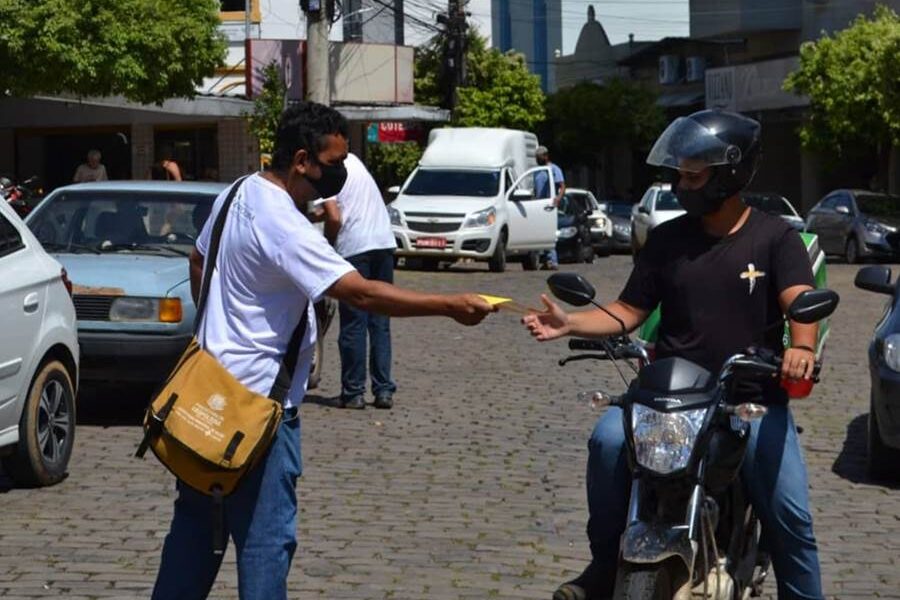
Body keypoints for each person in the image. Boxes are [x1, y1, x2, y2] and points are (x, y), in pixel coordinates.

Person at [151, 101, 494, 600]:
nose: (340, 173)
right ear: (301, 160)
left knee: (193, 536)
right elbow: (360, 293)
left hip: (206, 394)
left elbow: (198, 258)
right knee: (265, 546)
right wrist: (449, 305)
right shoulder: (283, 223)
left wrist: (216, 329)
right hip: (260, 414)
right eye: (333, 163)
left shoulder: (238, 192)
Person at [523, 110, 824, 600]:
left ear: (729, 174)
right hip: (668, 399)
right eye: (679, 175)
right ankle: (604, 565)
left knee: (790, 513)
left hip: (749, 399)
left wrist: (803, 348)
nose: (682, 185)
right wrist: (570, 322)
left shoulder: (775, 238)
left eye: (693, 176)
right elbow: (628, 310)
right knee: (607, 441)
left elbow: (799, 300)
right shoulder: (666, 240)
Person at [319, 152, 399, 410]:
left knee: (354, 321)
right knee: (380, 320)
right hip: (383, 243)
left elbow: (334, 217)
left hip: (355, 247)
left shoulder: (324, 169)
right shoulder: (353, 161)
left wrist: (326, 245)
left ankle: (353, 392)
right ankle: (383, 390)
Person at [534, 145, 565, 270]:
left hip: (549, 206)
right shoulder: (536, 171)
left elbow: (562, 186)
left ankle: (552, 260)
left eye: (539, 157)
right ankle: (543, 260)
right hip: (538, 206)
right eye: (536, 157)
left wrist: (558, 198)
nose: (537, 159)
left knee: (549, 233)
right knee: (539, 234)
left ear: (546, 156)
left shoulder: (554, 169)